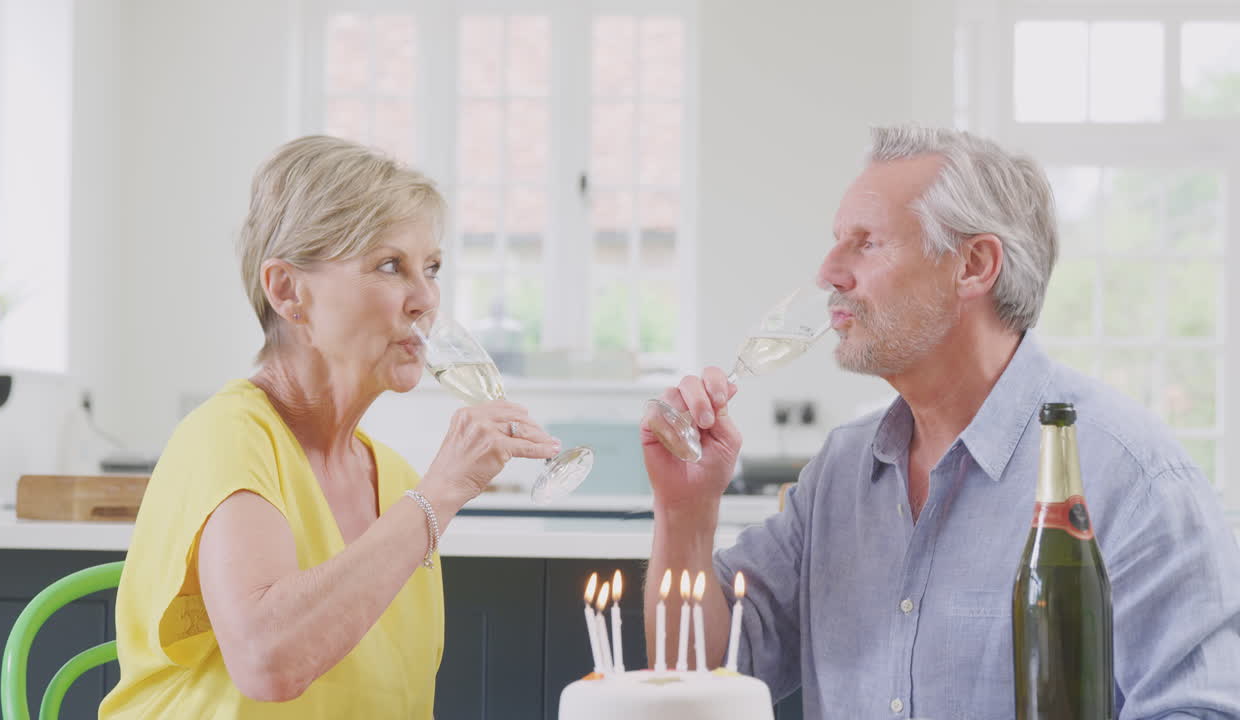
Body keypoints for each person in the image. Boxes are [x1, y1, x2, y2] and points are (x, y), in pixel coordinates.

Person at [643, 126, 1240, 719]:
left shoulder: (1130, 477)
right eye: (836, 242)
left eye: (867, 243)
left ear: (974, 265)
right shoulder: (841, 473)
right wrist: (685, 515)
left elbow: (1200, 710)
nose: (829, 272)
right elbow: (702, 674)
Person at [100, 135, 560, 718]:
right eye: (390, 265)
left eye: (433, 268)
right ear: (288, 290)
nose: (425, 299)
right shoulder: (228, 437)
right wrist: (441, 493)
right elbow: (270, 662)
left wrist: (428, 496)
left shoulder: (394, 478)